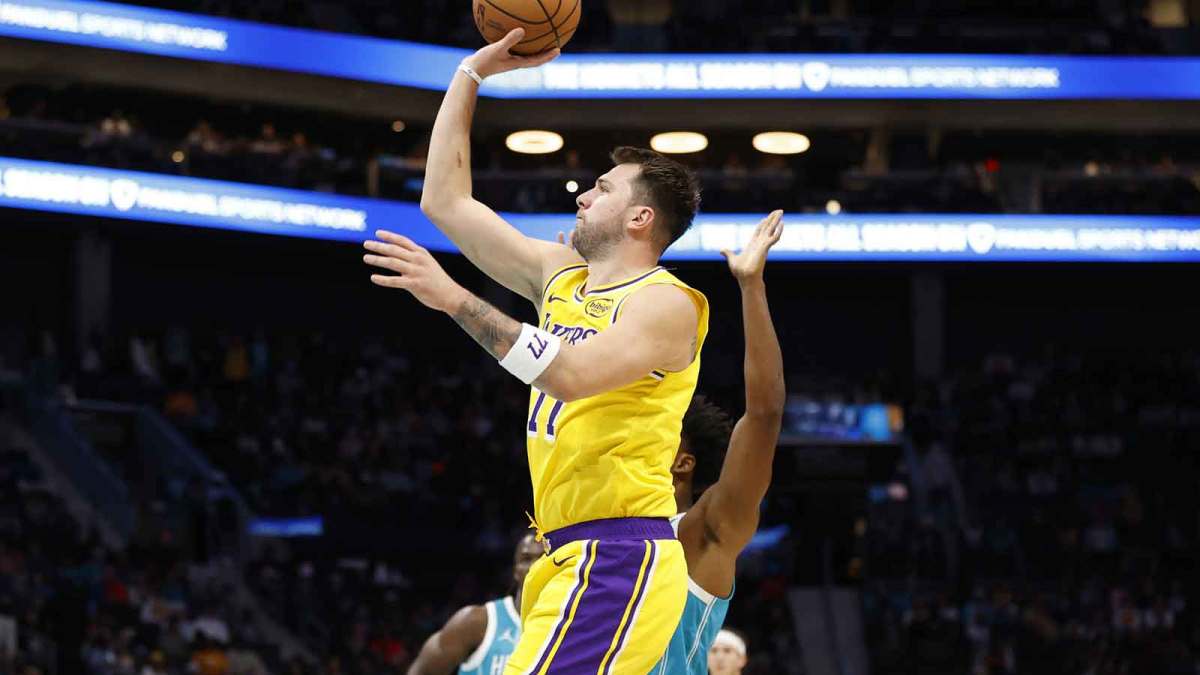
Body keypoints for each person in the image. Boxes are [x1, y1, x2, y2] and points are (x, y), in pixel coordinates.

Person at [365, 27, 758, 672]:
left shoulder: (667, 303)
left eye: (602, 188)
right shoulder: (560, 277)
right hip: (562, 554)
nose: (582, 194)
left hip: (619, 556)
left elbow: (570, 374)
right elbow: (444, 200)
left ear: (639, 218)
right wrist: (470, 75)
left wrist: (454, 299)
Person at [652, 212, 786, 674]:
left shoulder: (702, 531)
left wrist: (751, 286)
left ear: (683, 462)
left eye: (657, 432)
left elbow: (764, 416)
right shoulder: (600, 529)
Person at [407, 535, 543, 675]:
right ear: (515, 571)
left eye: (543, 557)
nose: (535, 566)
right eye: (526, 559)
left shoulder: (558, 629)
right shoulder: (478, 622)